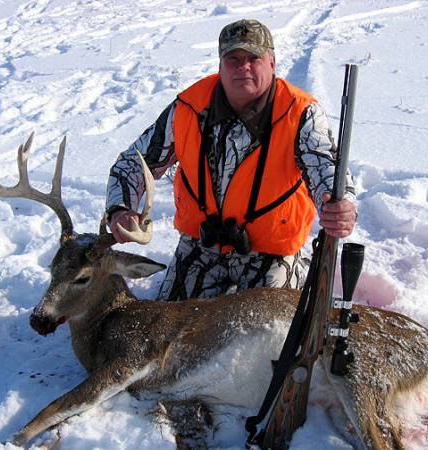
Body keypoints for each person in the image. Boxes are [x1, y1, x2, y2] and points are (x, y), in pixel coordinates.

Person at [105, 19, 357, 300]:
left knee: (263, 334)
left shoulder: (300, 113)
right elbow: (132, 163)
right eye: (233, 59)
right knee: (168, 329)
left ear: (272, 63)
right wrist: (120, 208)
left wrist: (339, 204)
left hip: (270, 254)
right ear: (220, 65)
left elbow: (326, 168)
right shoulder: (188, 107)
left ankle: (299, 270)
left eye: (253, 58)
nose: (243, 67)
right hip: (201, 247)